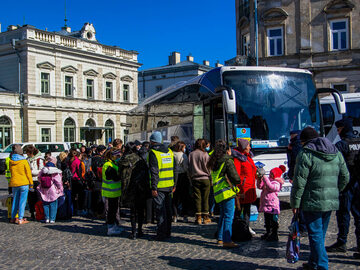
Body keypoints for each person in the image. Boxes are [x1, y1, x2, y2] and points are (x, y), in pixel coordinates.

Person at [290, 126, 349, 270]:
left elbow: (299, 182)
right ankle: (313, 263)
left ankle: (322, 265)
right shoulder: (336, 152)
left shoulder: (305, 154)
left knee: (315, 235)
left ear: (305, 142)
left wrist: (295, 203)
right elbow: (345, 176)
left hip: (312, 201)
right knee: (319, 234)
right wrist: (335, 191)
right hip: (330, 200)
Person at [326, 118, 360, 256]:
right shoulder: (359, 141)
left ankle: (342, 242)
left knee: (343, 214)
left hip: (346, 185)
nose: (338, 132)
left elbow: (332, 163)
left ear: (344, 129)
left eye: (339, 130)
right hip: (358, 184)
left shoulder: (342, 144)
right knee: (358, 216)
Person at [207, 140, 240, 248]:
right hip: (227, 192)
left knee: (223, 215)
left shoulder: (213, 159)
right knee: (228, 217)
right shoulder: (227, 160)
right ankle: (227, 240)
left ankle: (220, 238)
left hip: (218, 192)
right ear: (227, 150)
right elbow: (235, 178)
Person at [119, 142, 151, 239]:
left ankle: (133, 232)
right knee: (140, 210)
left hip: (129, 187)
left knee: (133, 211)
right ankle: (140, 230)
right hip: (141, 187)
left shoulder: (123, 160)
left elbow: (120, 173)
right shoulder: (140, 159)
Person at [149, 131, 176, 240]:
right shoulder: (169, 151)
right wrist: (174, 184)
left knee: (160, 211)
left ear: (152, 141)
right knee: (168, 210)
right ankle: (168, 232)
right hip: (169, 185)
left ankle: (161, 234)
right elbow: (175, 169)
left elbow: (154, 171)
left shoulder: (153, 152)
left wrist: (154, 187)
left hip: (159, 186)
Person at [232, 138, 257, 235]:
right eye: (248, 146)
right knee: (239, 209)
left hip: (249, 187)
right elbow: (236, 174)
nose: (250, 147)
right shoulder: (238, 158)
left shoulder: (247, 156)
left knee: (247, 209)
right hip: (242, 188)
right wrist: (239, 189)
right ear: (243, 147)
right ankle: (240, 228)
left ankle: (246, 226)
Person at [257, 165, 285, 241]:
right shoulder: (269, 180)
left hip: (273, 205)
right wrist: (260, 179)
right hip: (266, 204)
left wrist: (266, 179)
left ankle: (274, 234)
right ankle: (268, 232)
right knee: (267, 220)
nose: (270, 175)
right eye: (270, 173)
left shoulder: (277, 182)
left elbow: (271, 188)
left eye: (272, 174)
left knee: (273, 221)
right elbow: (260, 186)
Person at [287, 130, 307, 234]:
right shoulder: (296, 145)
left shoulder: (296, 146)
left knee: (299, 202)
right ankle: (299, 225)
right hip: (297, 177)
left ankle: (302, 226)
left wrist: (291, 175)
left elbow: (293, 163)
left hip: (298, 177)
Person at [189, 139, 211, 225]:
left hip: (195, 178)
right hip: (205, 178)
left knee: (197, 198)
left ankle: (198, 217)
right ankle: (205, 217)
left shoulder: (191, 154)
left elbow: (189, 167)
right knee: (205, 198)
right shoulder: (205, 155)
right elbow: (209, 168)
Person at [9, 144, 33, 224]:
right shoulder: (24, 161)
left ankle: (13, 218)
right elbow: (28, 173)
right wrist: (31, 183)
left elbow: (11, 172)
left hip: (14, 183)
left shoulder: (11, 161)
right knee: (22, 202)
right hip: (24, 182)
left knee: (15, 201)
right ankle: (20, 218)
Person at [102, 147, 123, 236]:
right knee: (111, 211)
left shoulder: (113, 164)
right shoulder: (108, 165)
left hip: (114, 192)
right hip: (110, 192)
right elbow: (114, 178)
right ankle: (110, 228)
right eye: (117, 155)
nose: (119, 157)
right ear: (112, 156)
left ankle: (113, 226)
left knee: (114, 210)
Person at [37, 156, 64, 223]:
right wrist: (60, 189)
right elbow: (58, 181)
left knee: (45, 204)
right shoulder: (55, 171)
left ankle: (47, 218)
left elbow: (39, 177)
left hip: (44, 189)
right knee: (53, 204)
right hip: (52, 189)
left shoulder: (43, 169)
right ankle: (52, 219)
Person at [172, 141, 191, 223]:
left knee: (175, 197)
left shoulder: (172, 154)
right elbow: (186, 167)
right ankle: (185, 215)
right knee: (184, 197)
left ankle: (175, 215)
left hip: (173, 176)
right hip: (182, 176)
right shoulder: (183, 156)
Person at [25, 145, 45, 219]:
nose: (26, 154)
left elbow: (41, 170)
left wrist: (32, 172)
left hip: (37, 180)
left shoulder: (39, 159)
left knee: (38, 197)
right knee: (30, 198)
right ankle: (32, 212)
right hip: (30, 181)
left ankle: (39, 213)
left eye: (27, 152)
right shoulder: (27, 159)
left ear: (31, 152)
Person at [91, 145, 107, 218]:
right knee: (100, 197)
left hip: (93, 180)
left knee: (95, 197)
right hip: (99, 180)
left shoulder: (92, 158)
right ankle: (100, 213)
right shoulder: (100, 159)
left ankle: (95, 212)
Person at [68, 149, 85, 215]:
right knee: (80, 195)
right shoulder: (77, 161)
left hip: (72, 179)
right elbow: (79, 171)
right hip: (77, 179)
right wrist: (82, 179)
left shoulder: (70, 160)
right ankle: (80, 209)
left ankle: (74, 209)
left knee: (73, 195)